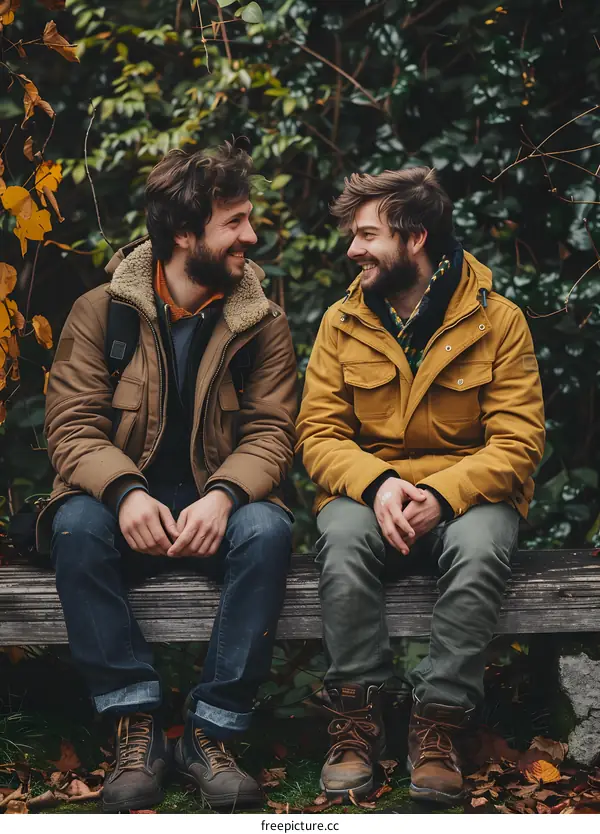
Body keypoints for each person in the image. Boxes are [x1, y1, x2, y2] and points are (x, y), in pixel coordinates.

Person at [37, 143, 297, 813]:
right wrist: (124, 492)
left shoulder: (262, 322)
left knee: (268, 528)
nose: (251, 235)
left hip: (218, 505)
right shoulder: (102, 312)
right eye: (234, 221)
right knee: (74, 525)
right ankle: (136, 726)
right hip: (124, 507)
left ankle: (213, 731)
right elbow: (70, 429)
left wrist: (225, 494)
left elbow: (273, 433)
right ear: (185, 234)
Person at [296, 167, 545, 806]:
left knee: (484, 544)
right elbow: (318, 434)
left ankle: (437, 726)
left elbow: (517, 443)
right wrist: (376, 483)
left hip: (469, 500)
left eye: (367, 234)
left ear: (416, 238)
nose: (353, 249)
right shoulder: (340, 322)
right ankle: (357, 722)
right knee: (341, 538)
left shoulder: (499, 321)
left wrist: (441, 496)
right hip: (366, 495)